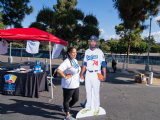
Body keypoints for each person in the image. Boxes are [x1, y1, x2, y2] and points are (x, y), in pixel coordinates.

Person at [80, 35, 106, 116]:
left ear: (96, 42)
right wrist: (82, 73)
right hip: (88, 73)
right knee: (88, 91)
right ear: (90, 42)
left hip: (96, 73)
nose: (93, 42)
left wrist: (104, 74)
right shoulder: (87, 51)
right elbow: (84, 64)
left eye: (94, 41)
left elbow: (103, 64)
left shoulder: (99, 52)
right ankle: (88, 107)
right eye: (91, 41)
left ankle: (97, 108)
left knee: (96, 92)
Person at [57, 47, 81, 120]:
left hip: (76, 84)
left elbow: (76, 70)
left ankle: (66, 108)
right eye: (73, 52)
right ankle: (67, 116)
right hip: (68, 85)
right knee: (66, 100)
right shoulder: (66, 62)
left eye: (75, 52)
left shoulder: (75, 60)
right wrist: (65, 76)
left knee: (75, 99)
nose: (74, 54)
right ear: (69, 53)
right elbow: (58, 70)